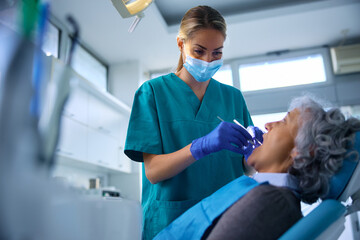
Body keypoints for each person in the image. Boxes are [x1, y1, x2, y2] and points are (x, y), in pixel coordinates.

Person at [124, 5, 263, 239]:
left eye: (217, 53)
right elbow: (153, 172)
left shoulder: (232, 98)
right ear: (181, 44)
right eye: (199, 51)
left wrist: (254, 155)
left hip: (227, 219)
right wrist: (199, 147)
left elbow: (245, 169)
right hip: (172, 222)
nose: (208, 60)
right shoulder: (152, 93)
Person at [154, 95, 360, 240]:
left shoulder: (272, 202)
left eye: (284, 121)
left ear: (300, 151)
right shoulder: (266, 192)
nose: (268, 125)